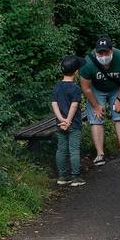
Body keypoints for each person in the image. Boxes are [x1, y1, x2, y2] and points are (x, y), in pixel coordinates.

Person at [79, 35, 120, 166]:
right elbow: (86, 88)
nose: (103, 55)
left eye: (105, 52)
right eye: (100, 52)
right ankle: (100, 154)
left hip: (116, 88)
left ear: (111, 51)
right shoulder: (88, 63)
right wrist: (96, 106)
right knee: (96, 118)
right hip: (96, 89)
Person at [51, 55, 86, 186]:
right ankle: (75, 177)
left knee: (61, 149)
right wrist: (69, 121)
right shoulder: (75, 88)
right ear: (76, 72)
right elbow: (74, 105)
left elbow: (54, 104)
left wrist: (61, 120)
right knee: (74, 149)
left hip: (60, 124)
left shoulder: (57, 87)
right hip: (74, 124)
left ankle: (61, 176)